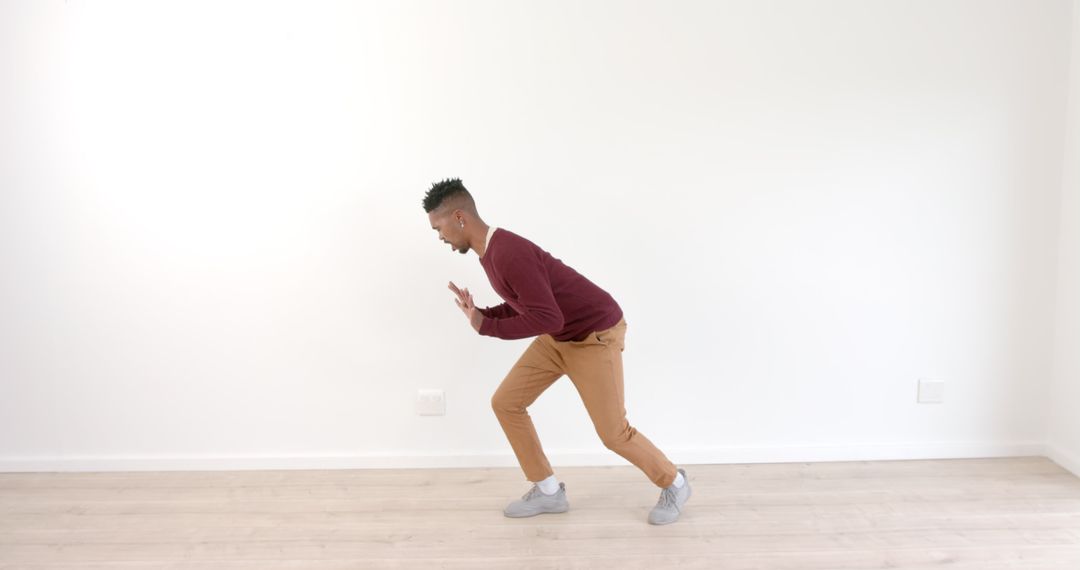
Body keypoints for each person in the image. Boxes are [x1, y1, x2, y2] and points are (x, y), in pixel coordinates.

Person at [422, 178, 691, 525]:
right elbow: (526, 304)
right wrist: (484, 314)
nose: (440, 237)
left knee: (613, 433)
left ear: (459, 217)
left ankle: (675, 482)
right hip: (559, 336)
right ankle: (548, 491)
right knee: (506, 402)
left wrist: (485, 326)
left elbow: (547, 315)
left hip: (595, 335)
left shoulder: (507, 252)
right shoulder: (490, 253)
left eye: (439, 228)